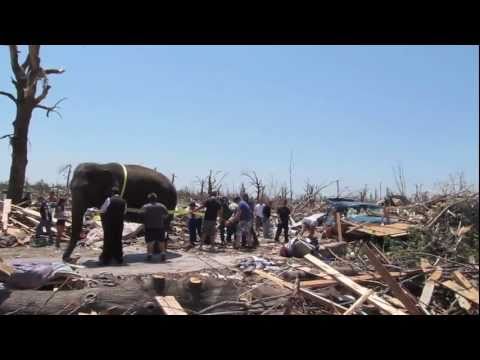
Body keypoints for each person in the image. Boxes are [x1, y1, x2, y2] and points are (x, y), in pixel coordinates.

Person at [99, 187, 127, 265]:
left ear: (112, 192)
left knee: (108, 239)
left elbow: (102, 210)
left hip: (109, 223)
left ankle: (106, 259)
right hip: (119, 224)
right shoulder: (123, 201)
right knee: (118, 239)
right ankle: (119, 258)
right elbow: (124, 212)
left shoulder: (109, 200)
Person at [142, 193, 169, 262]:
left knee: (150, 242)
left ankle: (149, 255)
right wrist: (160, 218)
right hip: (160, 227)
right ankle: (163, 254)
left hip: (149, 227)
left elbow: (142, 216)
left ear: (149, 199)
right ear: (156, 199)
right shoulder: (162, 206)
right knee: (161, 242)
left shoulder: (145, 207)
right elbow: (166, 215)